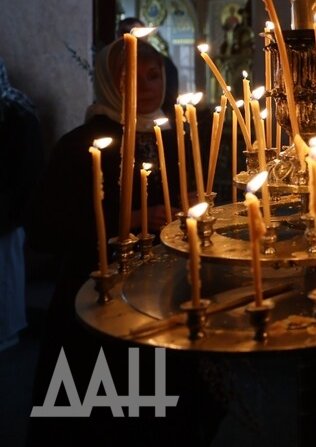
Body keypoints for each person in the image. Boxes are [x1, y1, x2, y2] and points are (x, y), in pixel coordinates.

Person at [24, 38, 218, 445]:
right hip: (97, 295)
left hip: (169, 291)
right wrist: (125, 220)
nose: (148, 86)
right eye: (131, 78)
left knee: (170, 408)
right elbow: (43, 229)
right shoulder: (81, 145)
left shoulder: (175, 134)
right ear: (109, 84)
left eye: (155, 75)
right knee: (105, 418)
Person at [0, 58, 43, 351]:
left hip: (7, 210)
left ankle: (8, 330)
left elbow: (28, 167)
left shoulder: (16, 110)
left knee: (6, 272)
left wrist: (18, 211)